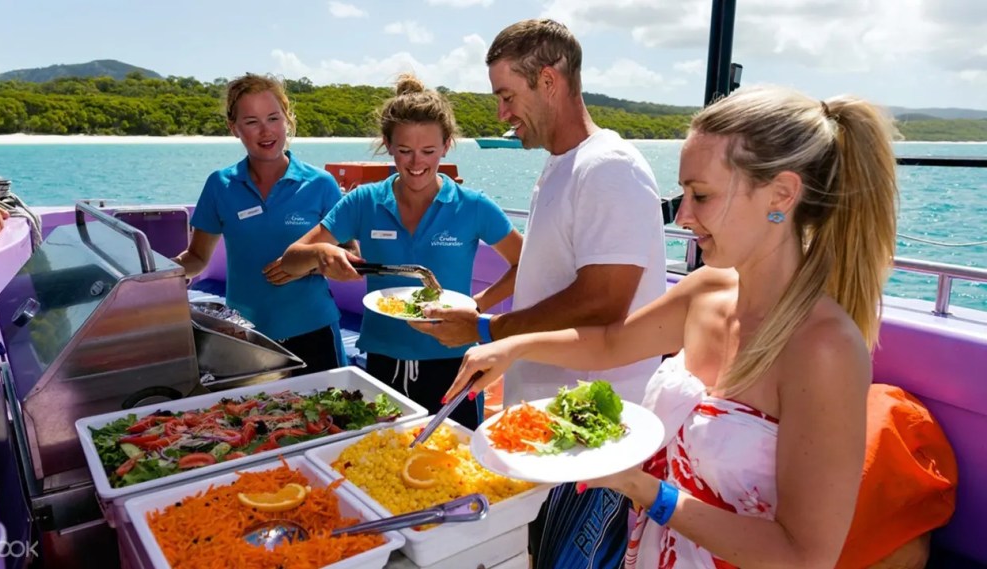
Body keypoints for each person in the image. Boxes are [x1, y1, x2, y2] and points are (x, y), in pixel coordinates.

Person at [445, 85, 915, 568]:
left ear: (782, 194)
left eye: (702, 195)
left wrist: (643, 489)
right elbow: (612, 342)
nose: (683, 216)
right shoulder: (706, 289)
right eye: (683, 193)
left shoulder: (823, 349)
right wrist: (510, 346)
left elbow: (804, 556)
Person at [414, 18, 668, 569]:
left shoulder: (610, 168)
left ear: (549, 81)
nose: (502, 113)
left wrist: (489, 332)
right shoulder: (561, 166)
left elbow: (604, 298)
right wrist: (481, 312)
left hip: (597, 436)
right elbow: (550, 279)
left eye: (508, 95)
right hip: (553, 429)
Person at [273, 73, 522, 430]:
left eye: (428, 151)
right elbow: (291, 258)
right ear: (388, 145)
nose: (416, 163)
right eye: (404, 151)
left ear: (447, 145)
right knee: (381, 465)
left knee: (455, 470)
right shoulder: (363, 201)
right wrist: (320, 256)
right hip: (382, 362)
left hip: (454, 365)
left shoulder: (473, 206)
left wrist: (477, 305)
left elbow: (524, 263)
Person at [173, 73, 346, 373]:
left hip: (314, 332)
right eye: (251, 121)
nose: (266, 131)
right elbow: (198, 258)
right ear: (234, 128)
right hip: (245, 338)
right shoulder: (220, 185)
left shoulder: (321, 184)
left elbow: (349, 257)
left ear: (287, 119)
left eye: (273, 118)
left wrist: (304, 263)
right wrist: (155, 278)